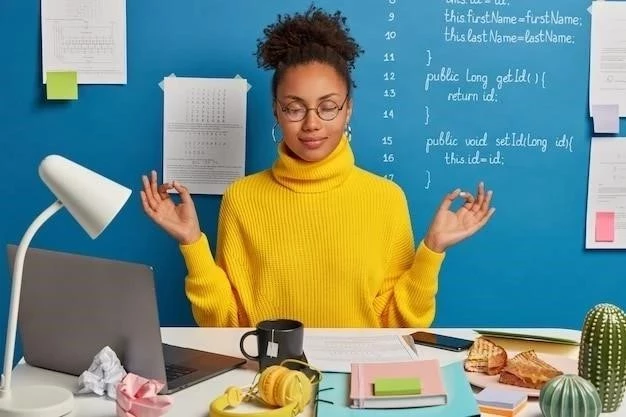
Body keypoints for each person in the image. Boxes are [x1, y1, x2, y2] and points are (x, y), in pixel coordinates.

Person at [141, 5, 495, 328]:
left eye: (328, 106)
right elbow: (224, 323)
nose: (312, 123)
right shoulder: (242, 198)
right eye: (295, 108)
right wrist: (192, 243)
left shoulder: (386, 199)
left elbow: (397, 327)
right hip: (268, 382)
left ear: (348, 109)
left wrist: (432, 250)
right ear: (277, 110)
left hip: (356, 382)